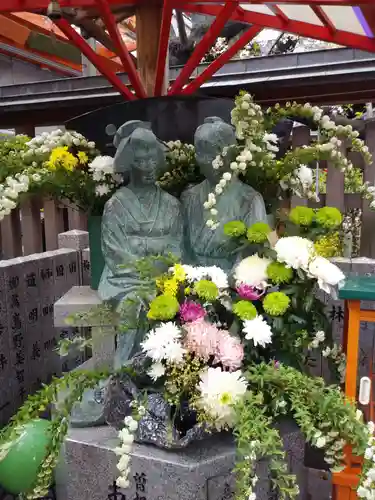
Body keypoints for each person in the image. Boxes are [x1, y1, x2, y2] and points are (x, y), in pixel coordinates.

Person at [99, 120, 183, 366]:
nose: (148, 167)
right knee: (135, 303)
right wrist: (144, 276)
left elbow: (177, 245)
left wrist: (162, 272)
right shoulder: (115, 206)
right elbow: (114, 252)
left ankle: (169, 371)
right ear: (129, 164)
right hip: (125, 280)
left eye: (152, 160)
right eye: (140, 161)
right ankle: (127, 372)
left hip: (165, 276)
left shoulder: (172, 204)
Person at [181, 117, 268, 272]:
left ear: (227, 155)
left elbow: (254, 251)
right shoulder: (190, 197)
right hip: (192, 279)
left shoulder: (248, 199)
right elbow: (182, 245)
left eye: (208, 154)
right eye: (199, 153)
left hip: (232, 281)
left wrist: (231, 279)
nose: (202, 161)